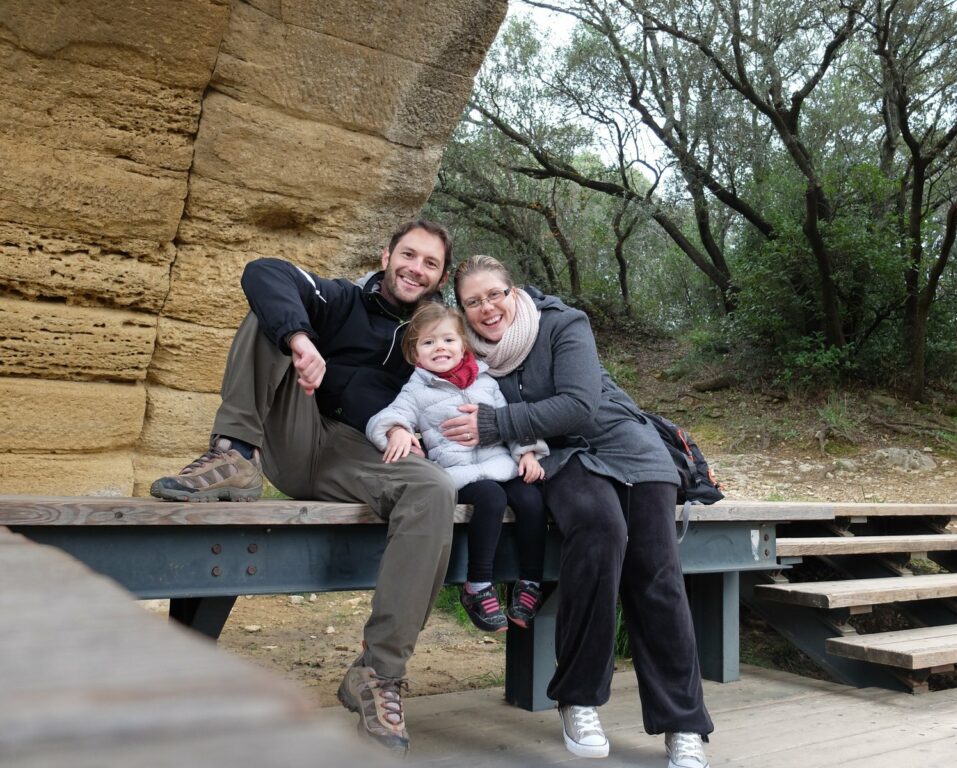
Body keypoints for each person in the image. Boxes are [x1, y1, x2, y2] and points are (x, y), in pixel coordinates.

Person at [149, 220, 458, 756]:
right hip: (297, 432)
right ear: (386, 255)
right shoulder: (341, 299)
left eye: (430, 263)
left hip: (359, 455)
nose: (416, 268)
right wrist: (300, 340)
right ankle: (235, 456)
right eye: (408, 255)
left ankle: (378, 674)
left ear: (440, 276)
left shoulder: (434, 333)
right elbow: (264, 272)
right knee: (273, 311)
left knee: (433, 490)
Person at [442, 255, 714, 768]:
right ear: (462, 309)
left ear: (514, 291)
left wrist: (496, 424)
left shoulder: (564, 324)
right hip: (558, 457)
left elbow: (579, 405)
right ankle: (579, 697)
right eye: (473, 301)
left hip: (626, 444)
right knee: (597, 532)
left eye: (494, 294)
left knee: (656, 573)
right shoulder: (466, 355)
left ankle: (684, 724)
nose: (487, 308)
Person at [366, 303, 549, 633]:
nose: (440, 348)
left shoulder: (486, 382)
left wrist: (527, 453)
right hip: (458, 474)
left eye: (448, 340)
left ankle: (530, 581)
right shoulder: (417, 390)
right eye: (429, 342)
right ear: (414, 353)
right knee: (492, 498)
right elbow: (385, 418)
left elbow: (510, 419)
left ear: (463, 344)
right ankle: (477, 586)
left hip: (500, 465)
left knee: (532, 498)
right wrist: (397, 430)